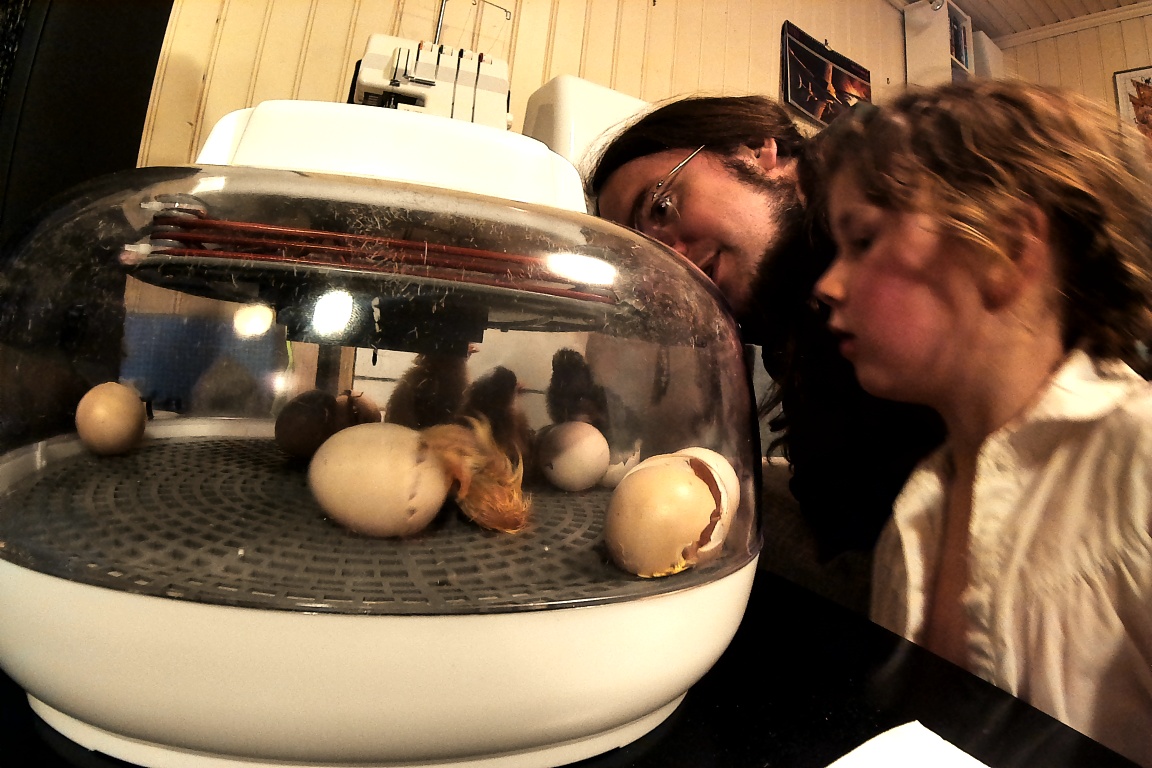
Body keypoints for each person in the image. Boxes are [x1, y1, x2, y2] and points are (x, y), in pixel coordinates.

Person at [807, 79, 1152, 766]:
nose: (826, 285)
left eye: (864, 240)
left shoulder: (1138, 461)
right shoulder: (919, 508)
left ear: (1007, 246)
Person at [586, 95, 945, 564]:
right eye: (644, 261)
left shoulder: (904, 189)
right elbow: (842, 506)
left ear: (756, 149)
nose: (669, 264)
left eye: (661, 208)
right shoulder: (785, 315)